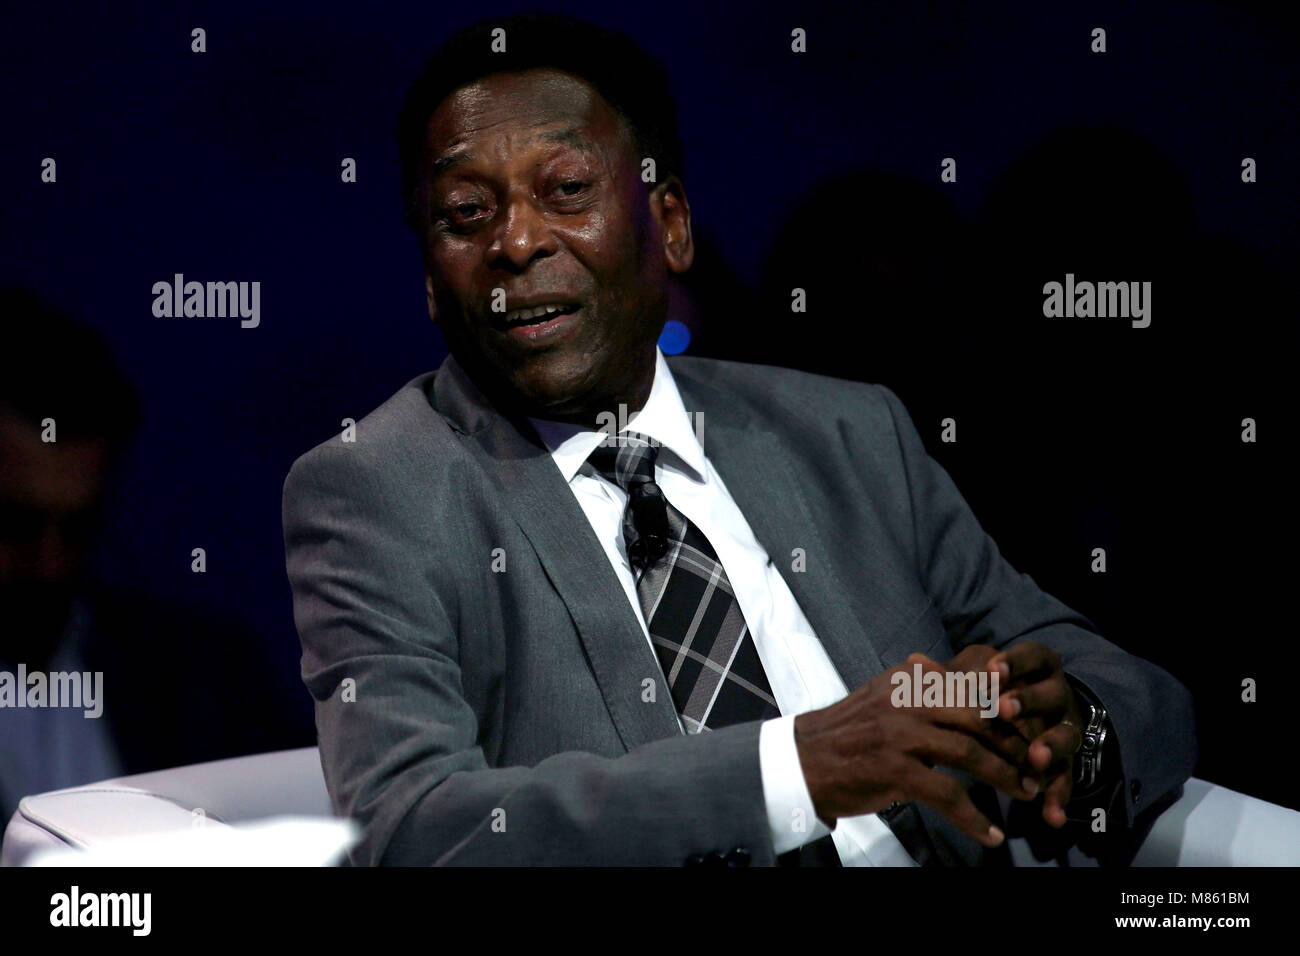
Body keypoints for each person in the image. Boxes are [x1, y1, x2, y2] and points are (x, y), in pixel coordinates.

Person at [282, 14, 1195, 866]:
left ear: (670, 225)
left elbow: (1119, 680)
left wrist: (1073, 727)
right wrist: (797, 770)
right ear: (434, 282)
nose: (517, 242)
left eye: (566, 190)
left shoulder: (847, 430)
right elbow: (409, 827)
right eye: (467, 214)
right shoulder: (376, 489)